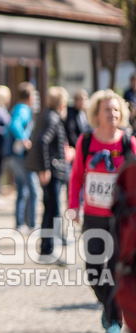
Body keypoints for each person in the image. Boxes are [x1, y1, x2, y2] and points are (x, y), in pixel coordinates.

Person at [67, 89, 135, 333]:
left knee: (117, 270)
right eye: (107, 109)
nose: (112, 113)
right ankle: (109, 307)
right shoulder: (86, 141)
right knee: (94, 271)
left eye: (116, 109)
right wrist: (73, 206)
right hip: (93, 216)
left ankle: (114, 319)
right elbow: (76, 176)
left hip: (121, 219)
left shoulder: (129, 143)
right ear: (96, 114)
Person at [25, 86, 69, 263]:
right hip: (52, 170)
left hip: (52, 169)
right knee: (53, 209)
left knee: (51, 209)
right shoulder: (52, 118)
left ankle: (47, 247)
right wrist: (45, 169)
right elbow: (42, 141)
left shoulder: (47, 116)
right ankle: (48, 248)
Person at [7, 82, 37, 232]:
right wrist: (24, 140)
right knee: (32, 189)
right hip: (20, 156)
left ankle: (20, 223)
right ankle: (31, 223)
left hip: (14, 155)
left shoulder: (17, 107)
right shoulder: (23, 109)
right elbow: (15, 125)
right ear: (30, 96)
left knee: (22, 189)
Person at [65, 89, 90, 160]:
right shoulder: (71, 113)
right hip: (74, 149)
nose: (83, 102)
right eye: (81, 100)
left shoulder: (84, 113)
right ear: (75, 101)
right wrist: (80, 146)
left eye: (85, 100)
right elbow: (71, 133)